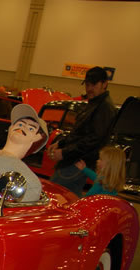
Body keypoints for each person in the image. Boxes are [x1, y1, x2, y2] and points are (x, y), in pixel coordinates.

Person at [48, 66, 116, 197]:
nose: (89, 88)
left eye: (94, 84)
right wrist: (61, 144)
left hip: (77, 162)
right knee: (67, 199)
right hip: (76, 161)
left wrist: (64, 152)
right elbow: (79, 132)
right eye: (88, 84)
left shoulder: (104, 108)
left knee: (54, 195)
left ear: (104, 84)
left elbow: (94, 139)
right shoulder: (94, 104)